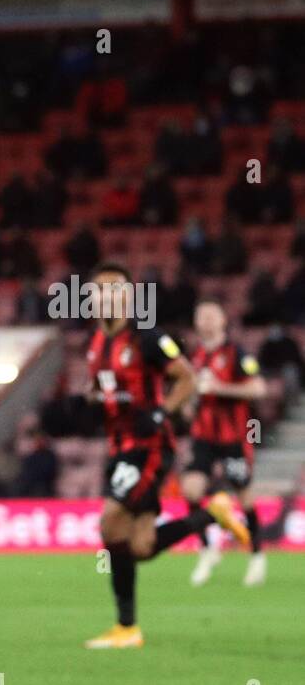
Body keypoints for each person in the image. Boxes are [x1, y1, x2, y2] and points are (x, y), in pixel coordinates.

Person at [83, 263, 249, 650]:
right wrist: (92, 402)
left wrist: (162, 411)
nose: (106, 297)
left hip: (149, 448)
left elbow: (187, 377)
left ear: (127, 296)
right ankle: (213, 513)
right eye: (99, 291)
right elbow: (102, 389)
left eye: (115, 290)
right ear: (89, 298)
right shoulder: (94, 344)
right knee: (138, 546)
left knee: (110, 524)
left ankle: (127, 628)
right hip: (119, 448)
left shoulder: (147, 338)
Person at [182, 300, 268, 587]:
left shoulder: (237, 353)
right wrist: (189, 405)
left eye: (211, 316)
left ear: (222, 321)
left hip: (234, 438)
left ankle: (256, 555)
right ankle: (208, 549)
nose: (205, 321)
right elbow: (191, 397)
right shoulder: (194, 357)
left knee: (244, 496)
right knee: (191, 488)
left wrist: (221, 388)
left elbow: (258, 388)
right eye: (201, 316)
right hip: (203, 436)